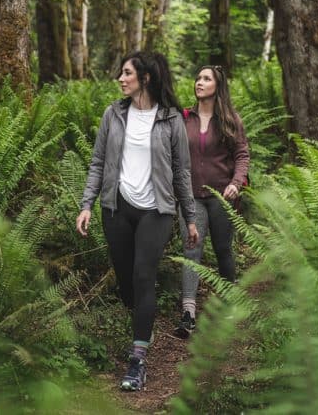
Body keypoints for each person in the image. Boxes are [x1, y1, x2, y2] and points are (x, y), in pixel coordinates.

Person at [76, 50, 199, 392]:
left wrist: (189, 217)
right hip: (116, 208)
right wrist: (87, 204)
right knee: (127, 280)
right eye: (121, 72)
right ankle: (142, 321)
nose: (121, 78)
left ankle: (137, 359)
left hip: (156, 210)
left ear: (145, 78)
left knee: (144, 275)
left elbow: (181, 172)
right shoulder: (113, 114)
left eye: (127, 73)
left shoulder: (171, 120)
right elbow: (98, 162)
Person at [176, 65, 250, 337]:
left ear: (218, 86)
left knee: (223, 249)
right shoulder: (184, 118)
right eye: (198, 78)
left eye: (206, 79)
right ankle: (188, 313)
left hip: (221, 195)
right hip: (191, 196)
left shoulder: (231, 119)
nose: (200, 82)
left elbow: (242, 155)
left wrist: (236, 183)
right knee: (191, 251)